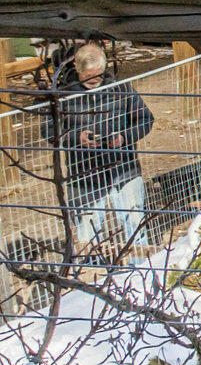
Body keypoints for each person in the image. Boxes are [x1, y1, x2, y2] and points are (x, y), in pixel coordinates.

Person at [49, 41, 154, 254]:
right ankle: (92, 273)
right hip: (84, 174)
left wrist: (124, 138)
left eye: (97, 75)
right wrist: (76, 137)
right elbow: (50, 130)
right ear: (77, 69)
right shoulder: (64, 96)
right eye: (88, 76)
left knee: (135, 224)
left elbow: (145, 118)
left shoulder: (121, 88)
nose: (93, 80)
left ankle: (140, 268)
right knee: (87, 232)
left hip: (124, 169)